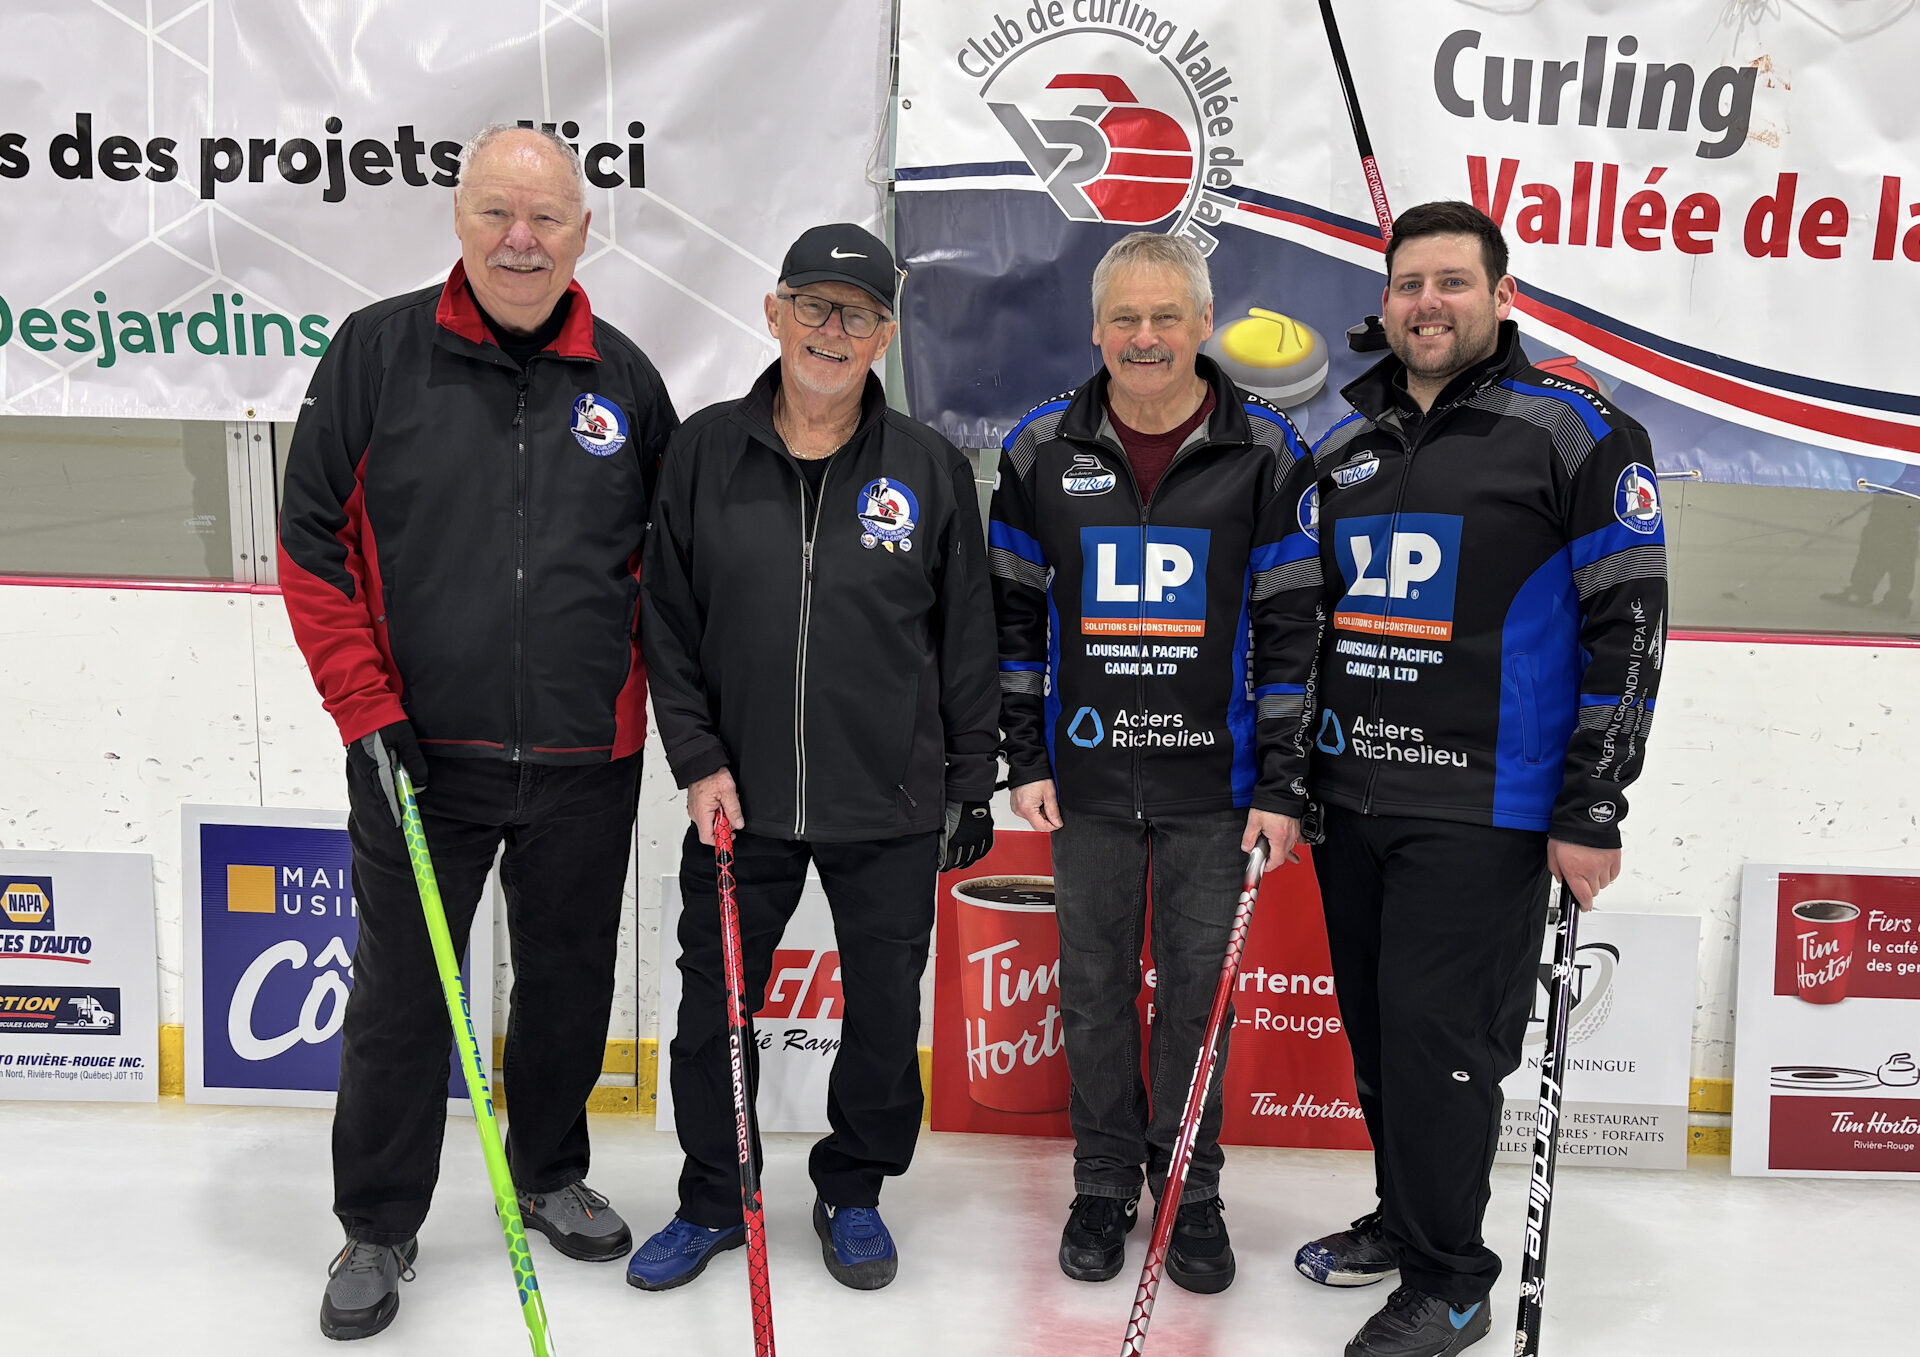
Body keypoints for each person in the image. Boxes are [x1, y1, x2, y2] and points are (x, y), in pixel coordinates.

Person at [279, 124, 677, 1341]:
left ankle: (550, 1169)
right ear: (459, 220)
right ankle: (380, 1221)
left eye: (547, 217)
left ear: (581, 233)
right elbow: (308, 544)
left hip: (582, 757)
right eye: (500, 213)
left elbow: (668, 574)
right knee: (404, 1000)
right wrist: (367, 709)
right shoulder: (377, 355)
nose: (522, 239)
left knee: (566, 986)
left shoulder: (626, 381)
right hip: (419, 758)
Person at [1296, 200, 1666, 1357]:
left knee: (1437, 1038)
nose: (1428, 303)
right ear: (1385, 301)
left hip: (1488, 807)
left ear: (1501, 295)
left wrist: (1592, 801)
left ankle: (1453, 1280)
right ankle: (1409, 1224)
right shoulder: (1344, 441)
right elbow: (1305, 622)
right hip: (1352, 800)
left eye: (1453, 282)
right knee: (1377, 1034)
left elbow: (1633, 623)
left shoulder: (1574, 429)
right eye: (1410, 283)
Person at [634, 222, 999, 1293]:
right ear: (773, 312)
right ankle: (712, 1194)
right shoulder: (704, 451)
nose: (830, 332)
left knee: (885, 1009)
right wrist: (698, 760)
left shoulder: (928, 468)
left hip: (886, 799)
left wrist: (968, 781)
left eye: (857, 314)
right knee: (714, 1011)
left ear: (883, 334)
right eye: (813, 306)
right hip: (736, 800)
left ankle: (853, 1188)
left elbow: (965, 638)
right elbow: (667, 624)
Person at [991, 232, 1323, 1295]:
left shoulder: (1268, 453)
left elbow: (1292, 634)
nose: (1144, 337)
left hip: (1213, 795)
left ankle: (1191, 1186)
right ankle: (1101, 1184)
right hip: (1084, 786)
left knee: (1195, 999)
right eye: (1125, 319)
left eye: (1165, 317)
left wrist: (1280, 782)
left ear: (1200, 327)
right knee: (1089, 994)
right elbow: (1010, 618)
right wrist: (1024, 752)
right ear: (1096, 330)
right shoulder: (1039, 449)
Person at [1822, 489, 1920, 621]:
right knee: (1878, 536)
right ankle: (1863, 590)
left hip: (1906, 491)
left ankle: (1894, 597)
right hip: (1894, 490)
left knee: (1896, 540)